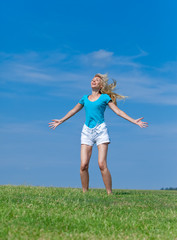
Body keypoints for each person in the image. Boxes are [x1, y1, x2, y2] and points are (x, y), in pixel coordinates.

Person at [48, 73, 148, 195]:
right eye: (92, 80)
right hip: (87, 132)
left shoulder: (105, 98)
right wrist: (61, 120)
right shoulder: (85, 98)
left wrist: (134, 121)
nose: (93, 81)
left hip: (101, 131)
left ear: (100, 85)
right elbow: (73, 110)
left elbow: (118, 112)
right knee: (83, 165)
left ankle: (109, 194)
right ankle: (85, 193)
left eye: (97, 80)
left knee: (101, 164)